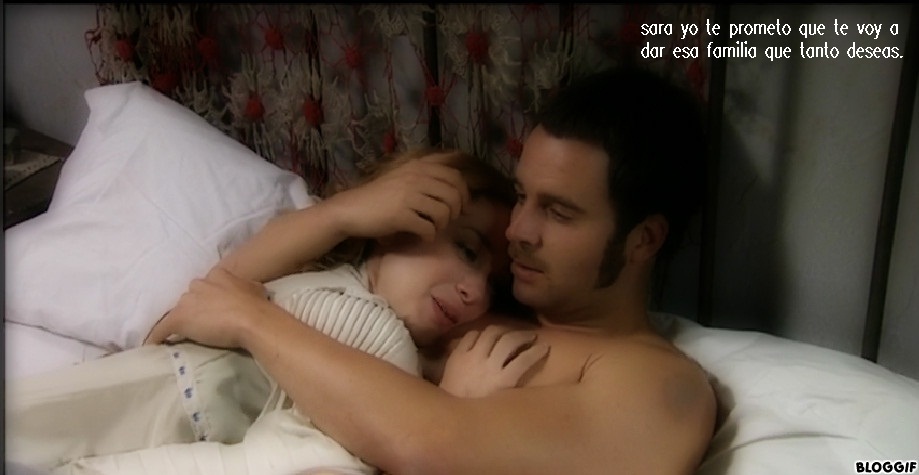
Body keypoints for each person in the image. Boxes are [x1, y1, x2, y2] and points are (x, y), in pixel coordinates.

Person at [146, 66, 718, 474]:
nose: (519, 229)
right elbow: (234, 286)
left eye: (559, 212)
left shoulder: (658, 387)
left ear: (643, 240)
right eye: (523, 196)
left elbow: (426, 443)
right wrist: (344, 214)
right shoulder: (479, 297)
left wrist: (253, 321)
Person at [5, 148, 547, 475]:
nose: (476, 293)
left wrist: (458, 411)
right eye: (467, 250)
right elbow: (222, 286)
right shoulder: (316, 270)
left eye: (494, 288)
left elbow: (406, 439)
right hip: (166, 385)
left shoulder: (411, 368)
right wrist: (348, 212)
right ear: (396, 223)